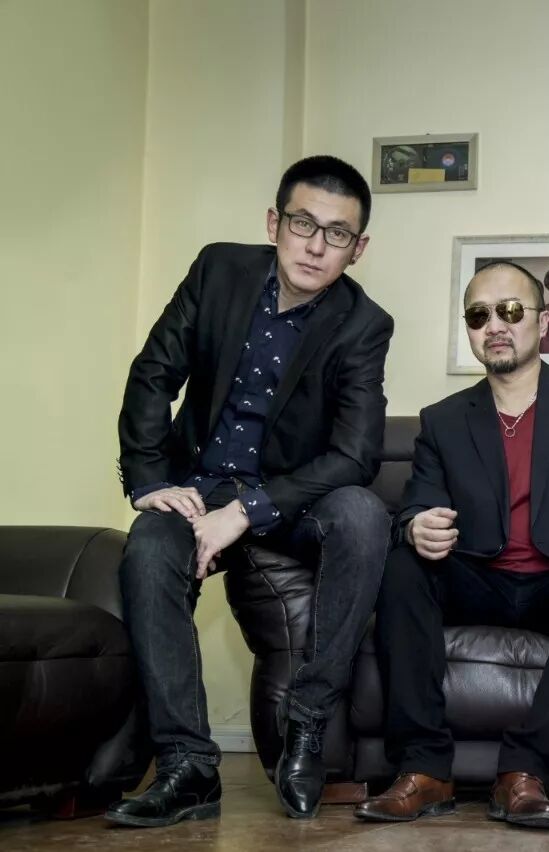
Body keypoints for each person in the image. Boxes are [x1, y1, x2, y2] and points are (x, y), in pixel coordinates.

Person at [108, 156, 394, 826]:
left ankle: (307, 722)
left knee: (363, 514)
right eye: (303, 224)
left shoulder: (363, 324)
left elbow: (355, 455)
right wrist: (149, 481)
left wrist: (246, 511)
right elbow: (153, 373)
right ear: (274, 223)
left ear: (357, 249)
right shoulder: (219, 271)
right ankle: (187, 766)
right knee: (148, 549)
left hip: (286, 499)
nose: (315, 246)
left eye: (337, 234)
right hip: (195, 485)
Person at [356, 262, 549, 831]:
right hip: (478, 574)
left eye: (511, 310)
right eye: (479, 315)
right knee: (403, 565)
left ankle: (525, 769)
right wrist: (415, 525)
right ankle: (424, 770)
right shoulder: (443, 420)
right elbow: (416, 504)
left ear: (544, 321)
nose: (495, 325)